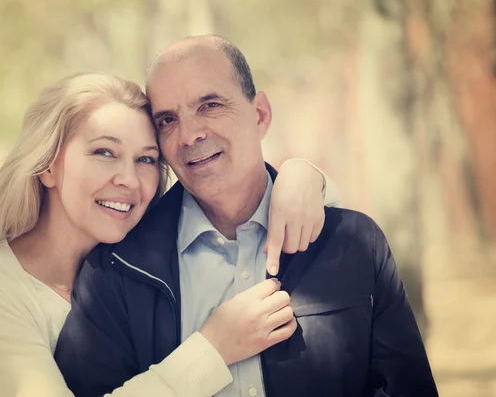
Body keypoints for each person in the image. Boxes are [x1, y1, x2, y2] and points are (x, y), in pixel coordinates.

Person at [55, 36, 439, 397]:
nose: (189, 135)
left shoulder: (354, 243)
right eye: (167, 120)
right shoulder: (117, 268)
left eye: (209, 105)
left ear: (260, 115)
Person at [0, 72, 340, 397]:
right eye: (104, 152)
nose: (129, 180)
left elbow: (227, 190)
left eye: (146, 159)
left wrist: (304, 176)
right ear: (47, 165)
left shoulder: (143, 262)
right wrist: (213, 349)